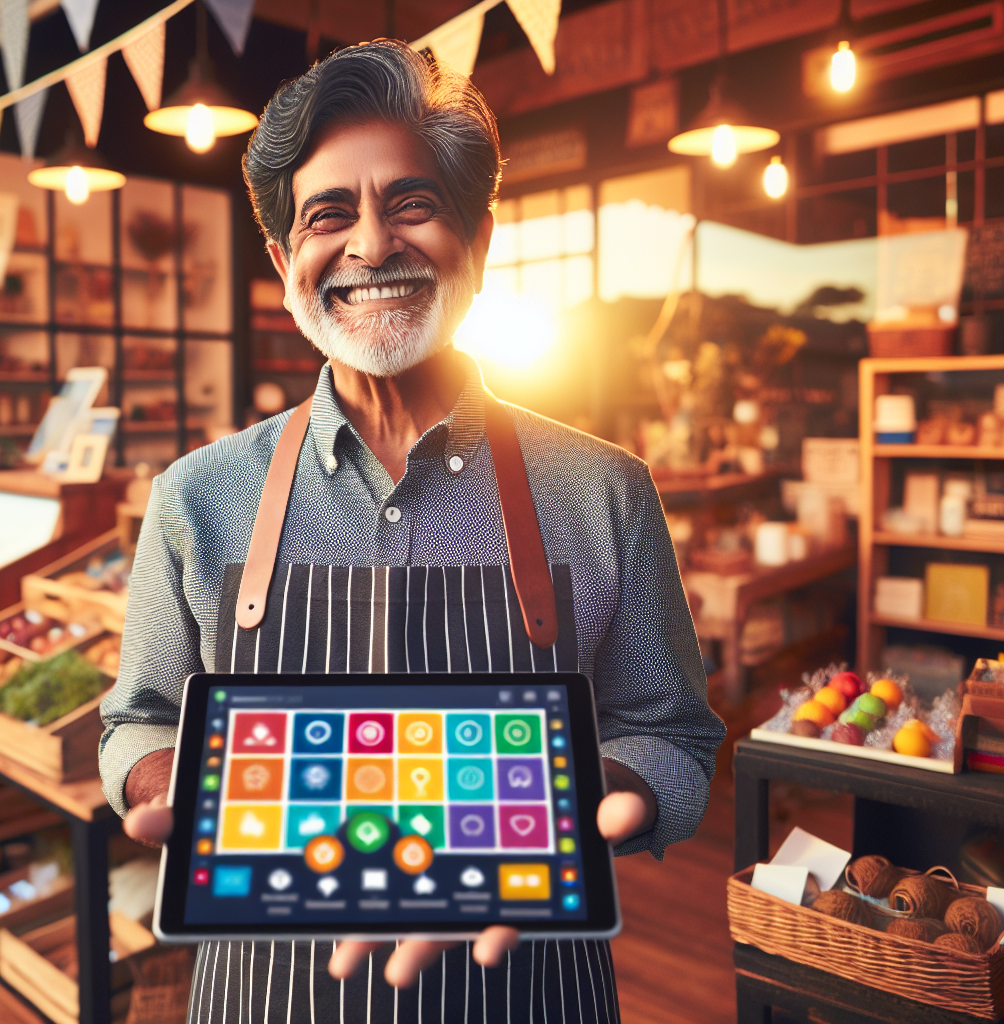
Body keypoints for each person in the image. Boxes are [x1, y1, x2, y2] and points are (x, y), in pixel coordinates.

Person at [99, 40, 725, 1023]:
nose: (370, 244)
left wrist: (566, 800)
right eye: (327, 215)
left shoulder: (607, 491)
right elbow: (132, 712)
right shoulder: (195, 497)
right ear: (281, 261)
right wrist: (170, 775)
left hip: (525, 989)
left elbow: (675, 733)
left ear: (477, 240)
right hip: (269, 994)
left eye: (412, 204)